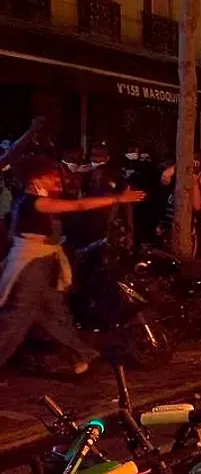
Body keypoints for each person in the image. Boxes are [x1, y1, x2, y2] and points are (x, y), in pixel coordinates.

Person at [0, 157, 144, 374]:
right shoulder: (34, 202)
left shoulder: (30, 201)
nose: (56, 179)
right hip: (30, 266)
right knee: (17, 320)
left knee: (55, 314)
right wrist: (118, 199)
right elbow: (80, 205)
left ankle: (83, 354)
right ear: (36, 179)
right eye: (51, 176)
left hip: (39, 264)